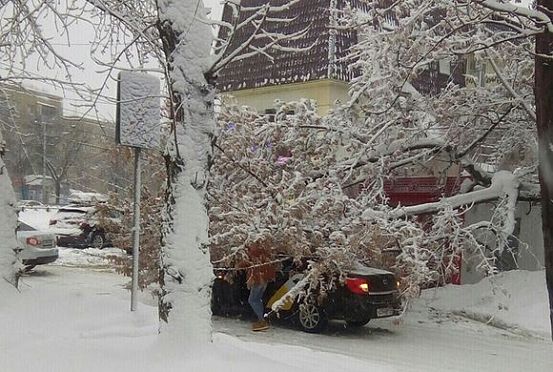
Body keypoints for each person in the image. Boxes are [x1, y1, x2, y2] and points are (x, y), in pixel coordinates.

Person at [239, 240, 277, 331]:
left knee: (252, 300)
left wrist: (239, 264)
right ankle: (261, 319)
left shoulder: (254, 254)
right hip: (264, 279)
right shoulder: (264, 253)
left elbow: (246, 264)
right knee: (257, 299)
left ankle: (261, 320)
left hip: (258, 279)